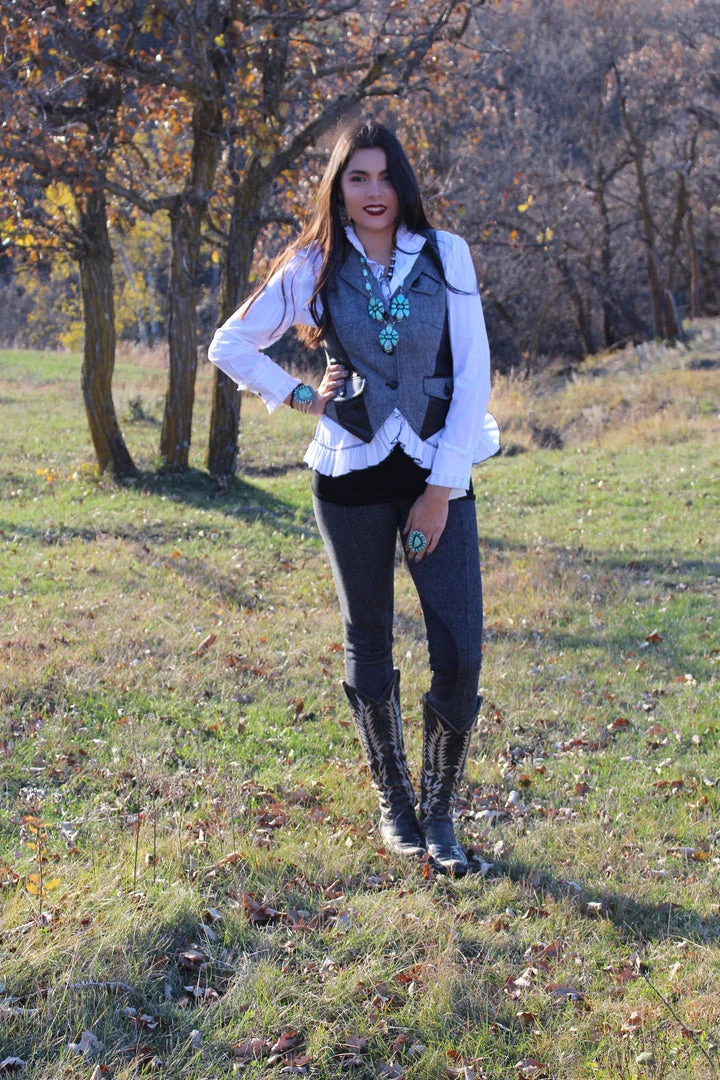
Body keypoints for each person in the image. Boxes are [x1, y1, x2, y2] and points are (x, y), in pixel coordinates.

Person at [208, 119, 499, 875]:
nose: (373, 192)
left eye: (384, 176)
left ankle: (441, 810)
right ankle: (395, 803)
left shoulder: (447, 254)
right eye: (357, 178)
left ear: (403, 182)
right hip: (350, 475)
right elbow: (229, 344)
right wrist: (301, 394)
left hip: (435, 472)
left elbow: (473, 376)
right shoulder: (312, 263)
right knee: (368, 637)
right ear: (338, 188)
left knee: (460, 649)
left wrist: (441, 490)